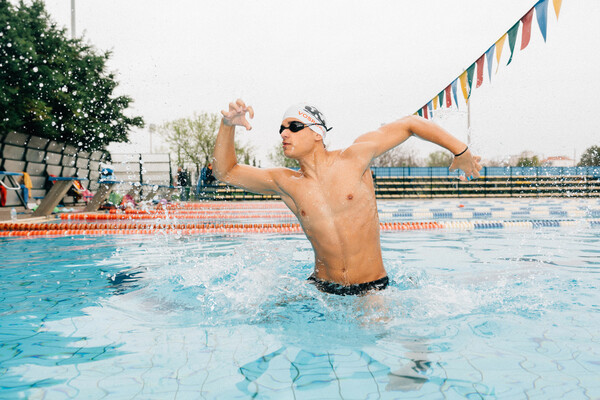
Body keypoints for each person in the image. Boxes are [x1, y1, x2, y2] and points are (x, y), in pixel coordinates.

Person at [213, 99, 481, 296]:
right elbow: (226, 172)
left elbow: (411, 123)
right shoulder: (286, 182)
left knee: (384, 337)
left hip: (371, 289)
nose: (284, 134)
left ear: (317, 133)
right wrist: (228, 126)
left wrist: (461, 151)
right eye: (281, 129)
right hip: (320, 290)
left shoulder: (355, 157)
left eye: (293, 127)